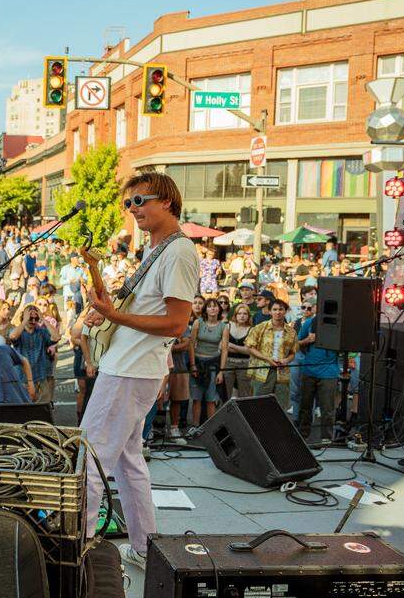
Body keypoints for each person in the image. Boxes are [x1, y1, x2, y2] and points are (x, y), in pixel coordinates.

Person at [81, 171, 197, 570]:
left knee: (90, 461)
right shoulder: (156, 250)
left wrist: (115, 316)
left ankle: (76, 552)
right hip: (130, 367)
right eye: (128, 203)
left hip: (129, 370)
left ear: (167, 201)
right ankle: (145, 547)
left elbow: (177, 323)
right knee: (128, 462)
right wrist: (106, 308)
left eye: (140, 201)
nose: (132, 209)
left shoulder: (179, 252)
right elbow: (137, 309)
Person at [295, 300, 339, 443]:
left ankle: (326, 438)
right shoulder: (309, 323)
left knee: (327, 408)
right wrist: (308, 340)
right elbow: (298, 343)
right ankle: (303, 435)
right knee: (305, 406)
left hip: (329, 372)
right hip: (309, 370)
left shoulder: (338, 324)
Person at [245, 299, 298, 410]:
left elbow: (293, 352)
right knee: (259, 405)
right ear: (270, 311)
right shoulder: (260, 327)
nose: (278, 312)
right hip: (263, 371)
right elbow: (250, 346)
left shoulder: (291, 332)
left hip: (282, 372)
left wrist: (286, 360)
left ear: (285, 311)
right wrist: (266, 358)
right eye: (275, 309)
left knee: (281, 406)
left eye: (281, 309)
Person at [188, 297, 227, 428]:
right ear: (206, 309)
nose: (212, 308)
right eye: (209, 306)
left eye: (215, 306)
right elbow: (191, 344)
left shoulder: (224, 326)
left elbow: (225, 350)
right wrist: (192, 365)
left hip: (213, 364)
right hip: (198, 362)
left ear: (219, 309)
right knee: (197, 398)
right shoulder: (198, 322)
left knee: (211, 399)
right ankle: (195, 426)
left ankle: (211, 428)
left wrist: (221, 372)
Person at [9, 303, 60, 403]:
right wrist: (25, 320)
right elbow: (13, 337)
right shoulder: (18, 331)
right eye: (30, 318)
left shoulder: (42, 331)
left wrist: (43, 319)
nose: (33, 321)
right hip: (22, 378)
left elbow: (56, 337)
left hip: (40, 377)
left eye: (35, 318)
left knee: (42, 408)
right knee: (23, 408)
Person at [221, 304, 254, 399]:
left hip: (245, 364)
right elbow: (222, 346)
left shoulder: (252, 329)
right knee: (225, 393)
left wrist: (231, 345)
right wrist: (241, 349)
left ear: (248, 316)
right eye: (239, 314)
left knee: (245, 394)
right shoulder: (228, 326)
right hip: (227, 362)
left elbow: (249, 351)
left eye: (245, 314)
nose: (242, 316)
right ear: (235, 315)